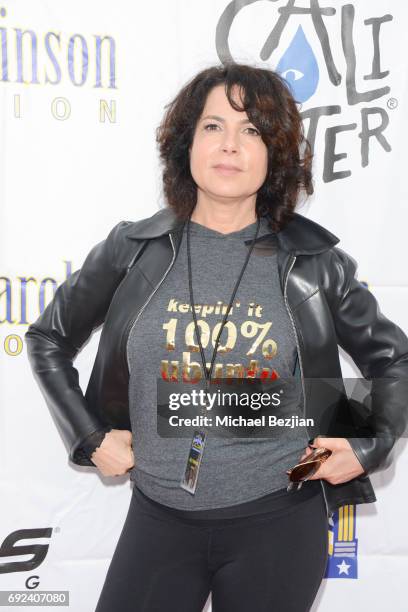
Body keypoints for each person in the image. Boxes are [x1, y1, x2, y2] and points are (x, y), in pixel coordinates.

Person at [25, 62, 408, 612]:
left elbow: (394, 359)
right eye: (213, 126)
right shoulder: (131, 248)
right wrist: (87, 436)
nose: (231, 144)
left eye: (252, 130)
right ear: (187, 143)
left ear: (274, 153)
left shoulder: (316, 264)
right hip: (157, 517)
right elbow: (47, 338)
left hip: (280, 519)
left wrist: (374, 445)